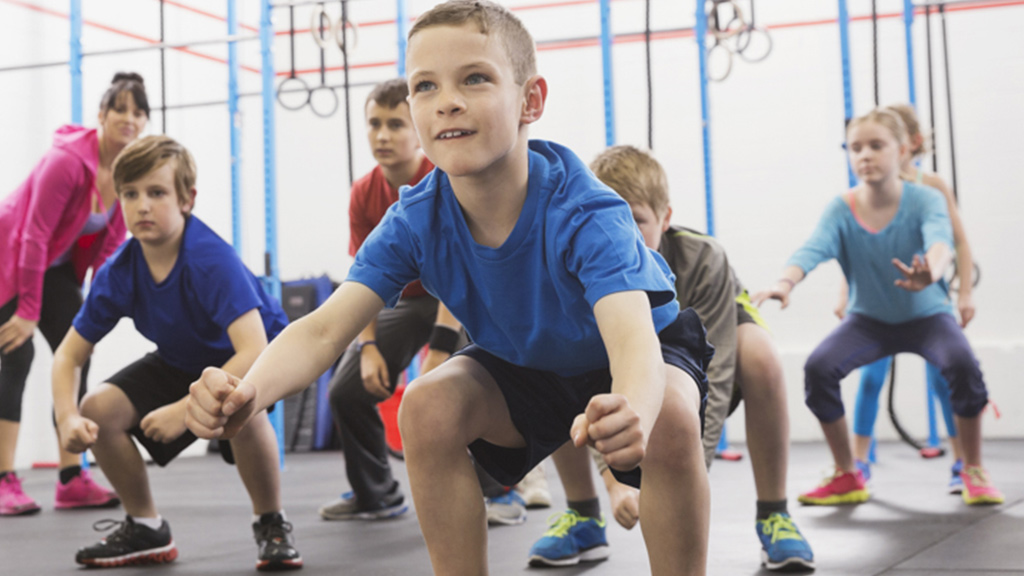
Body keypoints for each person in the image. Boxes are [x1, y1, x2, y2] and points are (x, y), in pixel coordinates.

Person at [185, 2, 713, 575]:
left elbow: (632, 338)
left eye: (476, 78)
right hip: (523, 361)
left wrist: (632, 407)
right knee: (427, 405)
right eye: (426, 86)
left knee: (673, 420)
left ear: (531, 100)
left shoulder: (585, 210)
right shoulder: (415, 219)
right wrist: (247, 393)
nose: (448, 100)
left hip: (632, 357)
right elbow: (321, 329)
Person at [526, 146, 814, 572]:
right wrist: (616, 483)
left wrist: (687, 477)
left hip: (710, 350)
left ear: (665, 217)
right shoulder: (584, 260)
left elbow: (710, 374)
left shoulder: (704, 259)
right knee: (548, 359)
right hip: (623, 366)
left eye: (636, 220)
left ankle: (774, 513)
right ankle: (584, 516)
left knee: (762, 356)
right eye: (610, 218)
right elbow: (589, 376)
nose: (621, 232)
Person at [51, 136, 302, 570]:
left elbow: (254, 350)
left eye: (157, 193)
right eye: (130, 194)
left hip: (256, 357)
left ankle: (271, 522)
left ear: (187, 199)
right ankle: (146, 526)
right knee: (97, 408)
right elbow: (68, 356)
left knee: (243, 402)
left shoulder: (210, 259)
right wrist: (67, 417)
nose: (142, 205)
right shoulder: (119, 271)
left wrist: (184, 408)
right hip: (184, 359)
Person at [752, 108, 1003, 507]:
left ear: (902, 150)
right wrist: (785, 283)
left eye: (875, 146)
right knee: (819, 368)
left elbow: (941, 241)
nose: (864, 155)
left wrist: (932, 272)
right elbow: (814, 248)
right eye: (856, 148)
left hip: (928, 316)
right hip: (868, 321)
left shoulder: (926, 197)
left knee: (962, 365)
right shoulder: (842, 207)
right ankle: (848, 472)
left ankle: (972, 468)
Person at [317, 77, 466, 522]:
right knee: (345, 390)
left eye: (396, 124)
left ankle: (499, 492)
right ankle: (375, 494)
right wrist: (366, 348)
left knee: (475, 383)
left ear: (418, 130)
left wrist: (439, 349)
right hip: (403, 301)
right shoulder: (364, 193)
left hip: (460, 300)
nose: (382, 135)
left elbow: (460, 273)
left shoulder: (443, 180)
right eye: (374, 124)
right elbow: (363, 277)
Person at [0, 72, 147, 516]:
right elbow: (32, 235)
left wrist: (102, 306)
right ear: (101, 115)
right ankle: (4, 479)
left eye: (139, 112)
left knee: (77, 350)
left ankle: (70, 477)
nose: (129, 119)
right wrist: (26, 311)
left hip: (54, 269)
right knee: (15, 354)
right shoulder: (66, 161)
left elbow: (108, 252)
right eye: (120, 109)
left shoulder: (125, 173)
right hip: (10, 258)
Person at [840, 103, 973, 494]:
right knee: (870, 379)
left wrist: (964, 292)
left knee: (943, 378)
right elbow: (853, 245)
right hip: (878, 304)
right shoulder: (865, 190)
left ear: (908, 144)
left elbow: (959, 241)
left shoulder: (929, 187)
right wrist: (845, 290)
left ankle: (963, 461)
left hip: (926, 303)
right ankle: (858, 462)